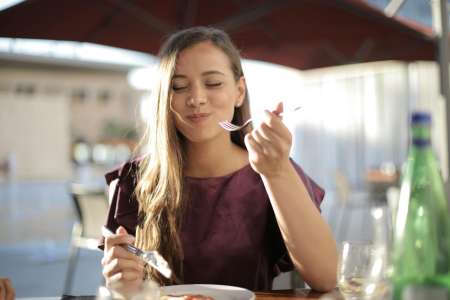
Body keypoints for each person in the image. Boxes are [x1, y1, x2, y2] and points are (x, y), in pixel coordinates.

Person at [100, 26, 337, 292]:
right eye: (178, 86)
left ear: (239, 91)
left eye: (213, 83)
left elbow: (326, 278)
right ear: (164, 99)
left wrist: (277, 171)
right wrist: (119, 282)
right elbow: (123, 286)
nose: (197, 99)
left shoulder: (272, 170)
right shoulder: (132, 180)